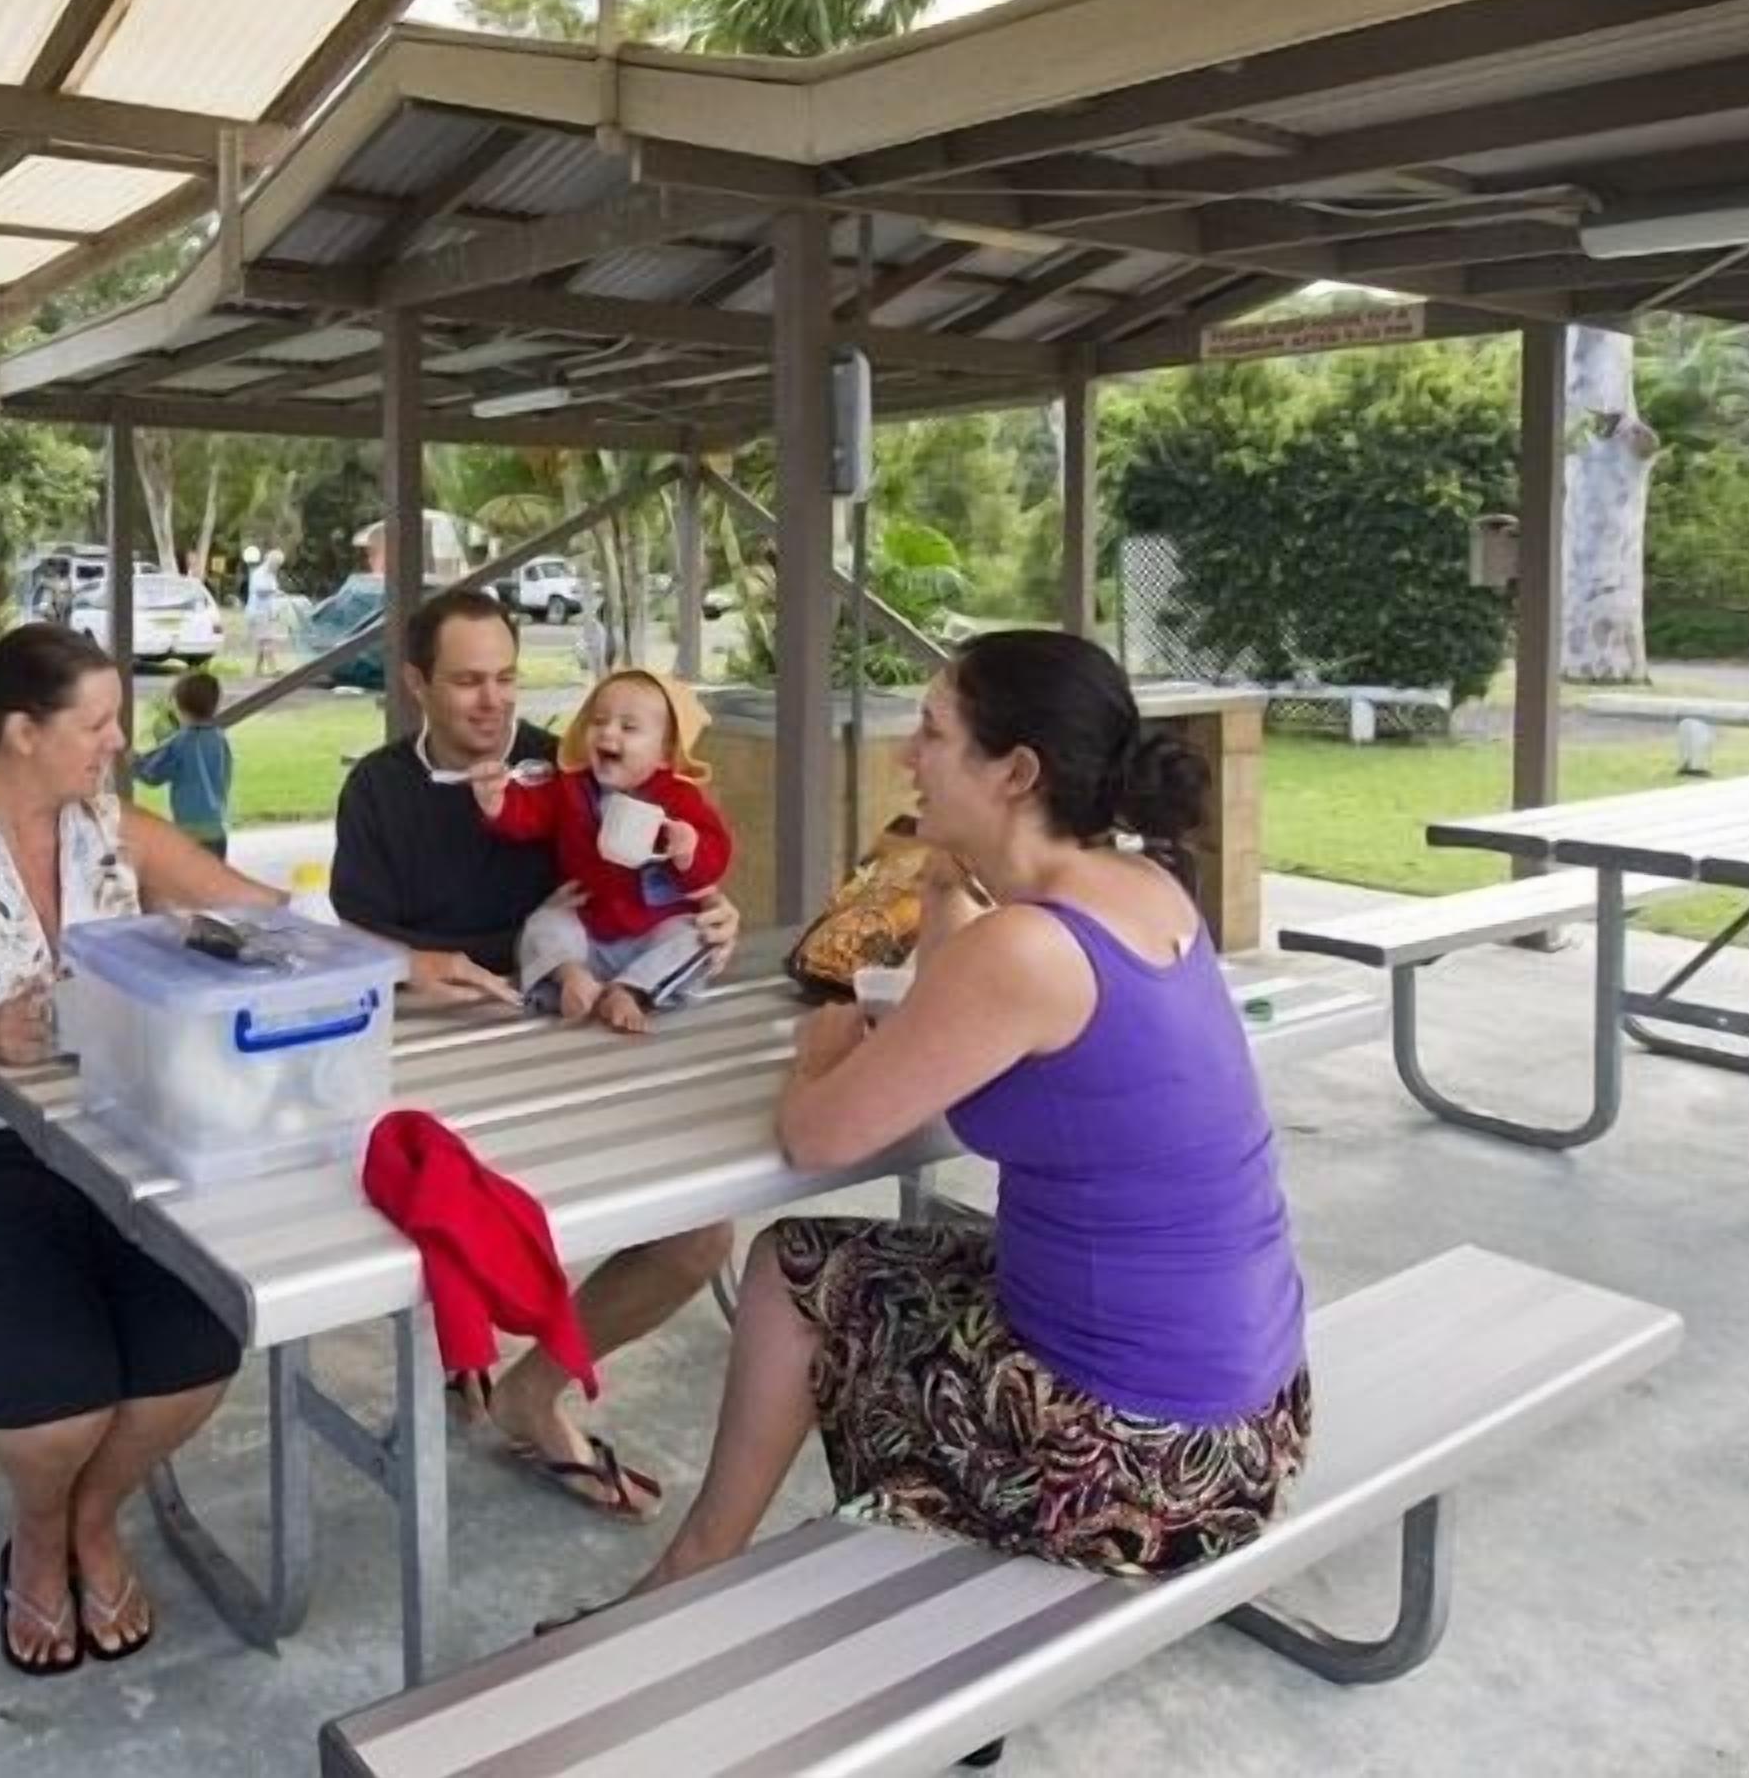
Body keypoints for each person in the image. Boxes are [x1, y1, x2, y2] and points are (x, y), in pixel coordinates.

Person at [608, 628, 1311, 1612]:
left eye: (933, 733)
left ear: (1016, 772)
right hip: (1253, 1414)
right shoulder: (1147, 887)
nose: (906, 755)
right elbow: (960, 994)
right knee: (836, 1271)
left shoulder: (1028, 949)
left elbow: (818, 1134)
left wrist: (818, 1056)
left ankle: (697, 1571)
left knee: (796, 1272)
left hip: (1142, 1462)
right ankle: (728, 1563)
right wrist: (944, 880)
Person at [0, 624, 286, 1676]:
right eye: (98, 724)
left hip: (120, 1140)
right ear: (22, 732)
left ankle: (94, 1514)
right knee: (60, 1405)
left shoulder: (111, 829)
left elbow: (263, 917)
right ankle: (41, 1536)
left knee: (196, 1354)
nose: (119, 742)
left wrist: (397, 960)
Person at [330, 589, 744, 1519]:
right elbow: (348, 947)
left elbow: (671, 865)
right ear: (416, 684)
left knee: (700, 1233)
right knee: (439, 1216)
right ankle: (463, 1351)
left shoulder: (576, 767)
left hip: (573, 1037)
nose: (494, 701)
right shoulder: (379, 791)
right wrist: (417, 968)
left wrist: (713, 911)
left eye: (507, 678)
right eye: (468, 681)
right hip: (432, 1052)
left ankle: (532, 1389)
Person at [470, 667, 734, 1035]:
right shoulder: (572, 787)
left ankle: (629, 991)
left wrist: (689, 848)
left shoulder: (681, 798)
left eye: (629, 727)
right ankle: (571, 977)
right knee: (543, 924)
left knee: (698, 939)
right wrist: (498, 804)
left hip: (655, 927)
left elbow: (715, 855)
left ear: (665, 751)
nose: (608, 732)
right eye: (598, 721)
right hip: (587, 925)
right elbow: (529, 815)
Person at [134, 667, 235, 860]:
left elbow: (152, 775)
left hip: (189, 832)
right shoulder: (219, 739)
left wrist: (133, 761)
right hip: (217, 830)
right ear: (216, 705)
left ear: (179, 706)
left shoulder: (180, 742)